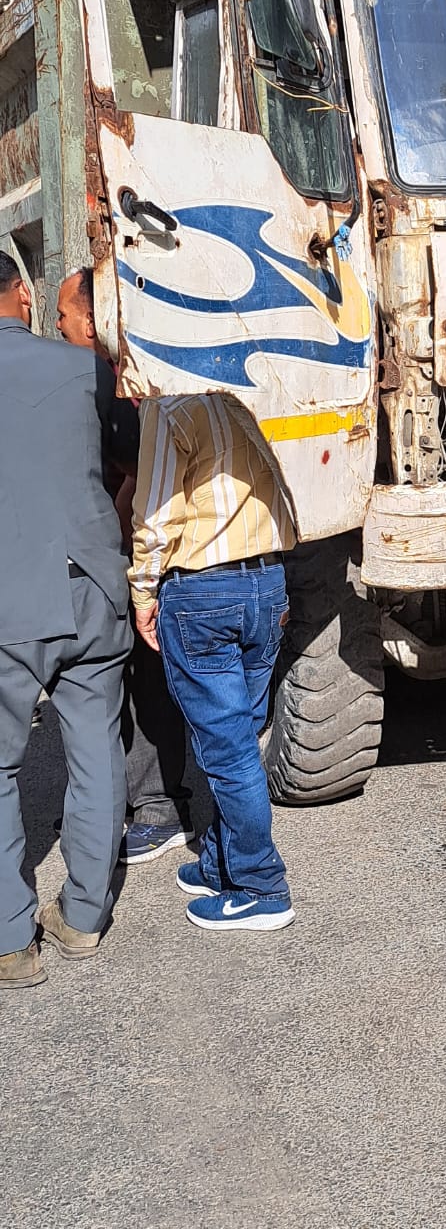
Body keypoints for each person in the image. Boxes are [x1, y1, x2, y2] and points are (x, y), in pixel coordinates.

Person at [0, 250, 132, 989]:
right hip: (92, 588)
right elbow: (127, 459)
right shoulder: (86, 370)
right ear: (21, 294)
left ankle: (11, 941)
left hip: (7, 601)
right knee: (95, 752)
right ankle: (83, 917)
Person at [130, 393, 297, 932]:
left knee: (227, 751)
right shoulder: (264, 386)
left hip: (203, 590)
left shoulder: (170, 403)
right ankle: (224, 861)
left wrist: (142, 592)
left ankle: (260, 885)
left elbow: (156, 513)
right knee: (241, 737)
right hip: (268, 580)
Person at [56, 268, 193, 862]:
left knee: (145, 680)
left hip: (138, 555)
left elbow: (138, 468)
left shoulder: (115, 385)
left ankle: (160, 807)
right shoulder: (92, 379)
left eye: (63, 315)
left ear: (91, 320)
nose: (56, 326)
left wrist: (113, 532)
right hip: (126, 551)